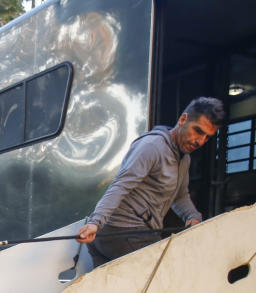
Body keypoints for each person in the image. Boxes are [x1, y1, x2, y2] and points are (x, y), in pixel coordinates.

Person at [76, 97, 226, 266]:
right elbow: (121, 185)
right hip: (122, 231)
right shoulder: (152, 146)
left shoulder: (184, 159)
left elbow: (180, 195)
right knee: (166, 273)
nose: (201, 141)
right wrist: (96, 222)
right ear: (183, 119)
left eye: (207, 137)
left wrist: (193, 217)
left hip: (126, 234)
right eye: (198, 131)